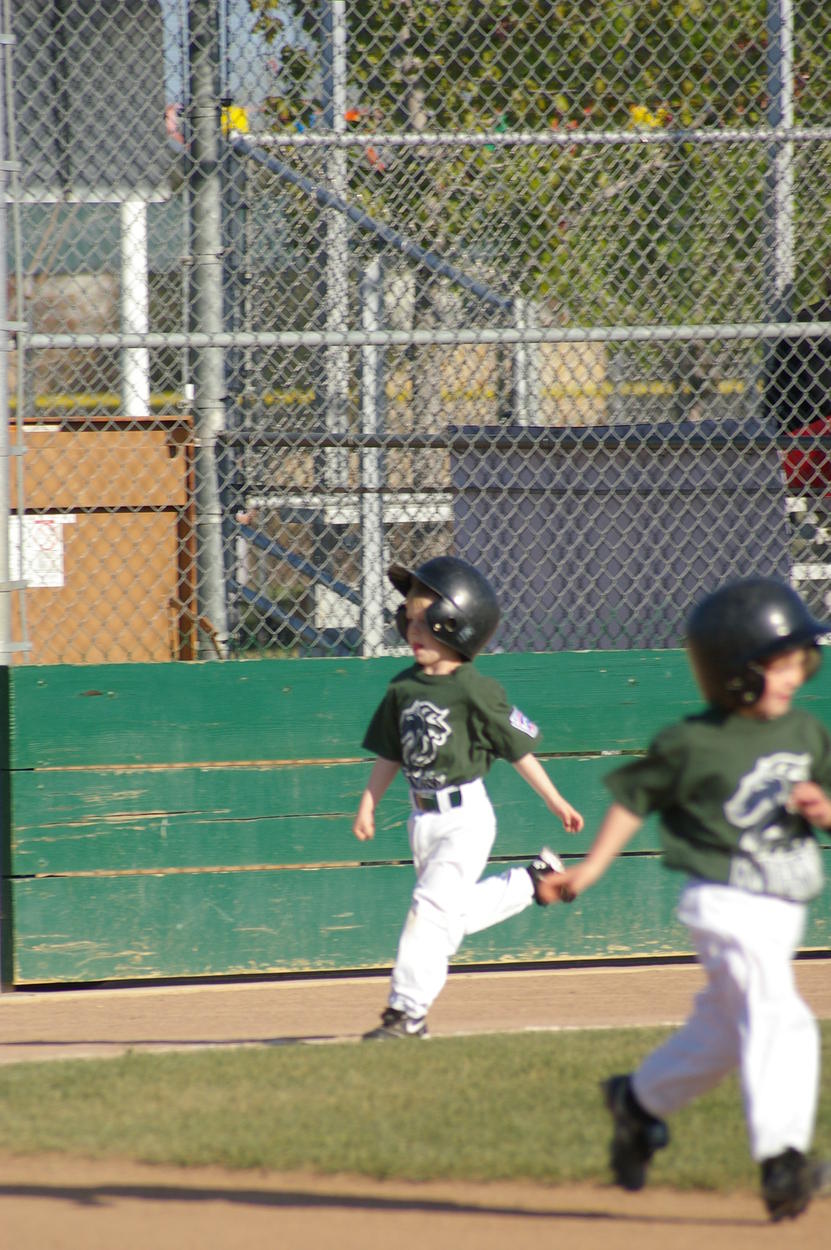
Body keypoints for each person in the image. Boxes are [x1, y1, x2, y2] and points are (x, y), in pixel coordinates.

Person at [542, 576, 831, 1222]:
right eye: (779, 664)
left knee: (723, 1035)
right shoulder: (693, 741)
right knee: (779, 1015)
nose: (795, 676)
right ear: (736, 672)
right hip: (725, 903)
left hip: (781, 908)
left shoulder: (805, 733)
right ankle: (782, 1160)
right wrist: (590, 870)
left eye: (798, 663)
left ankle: (637, 1102)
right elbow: (632, 799)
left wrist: (822, 809)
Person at [354, 554, 584, 1041]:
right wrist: (369, 803)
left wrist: (555, 800)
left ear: (457, 625)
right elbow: (390, 753)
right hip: (421, 821)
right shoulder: (402, 688)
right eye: (409, 620)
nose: (413, 630)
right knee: (449, 916)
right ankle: (532, 881)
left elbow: (517, 749)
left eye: (425, 622)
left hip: (465, 819)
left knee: (429, 910)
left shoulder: (475, 689)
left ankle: (406, 1013)